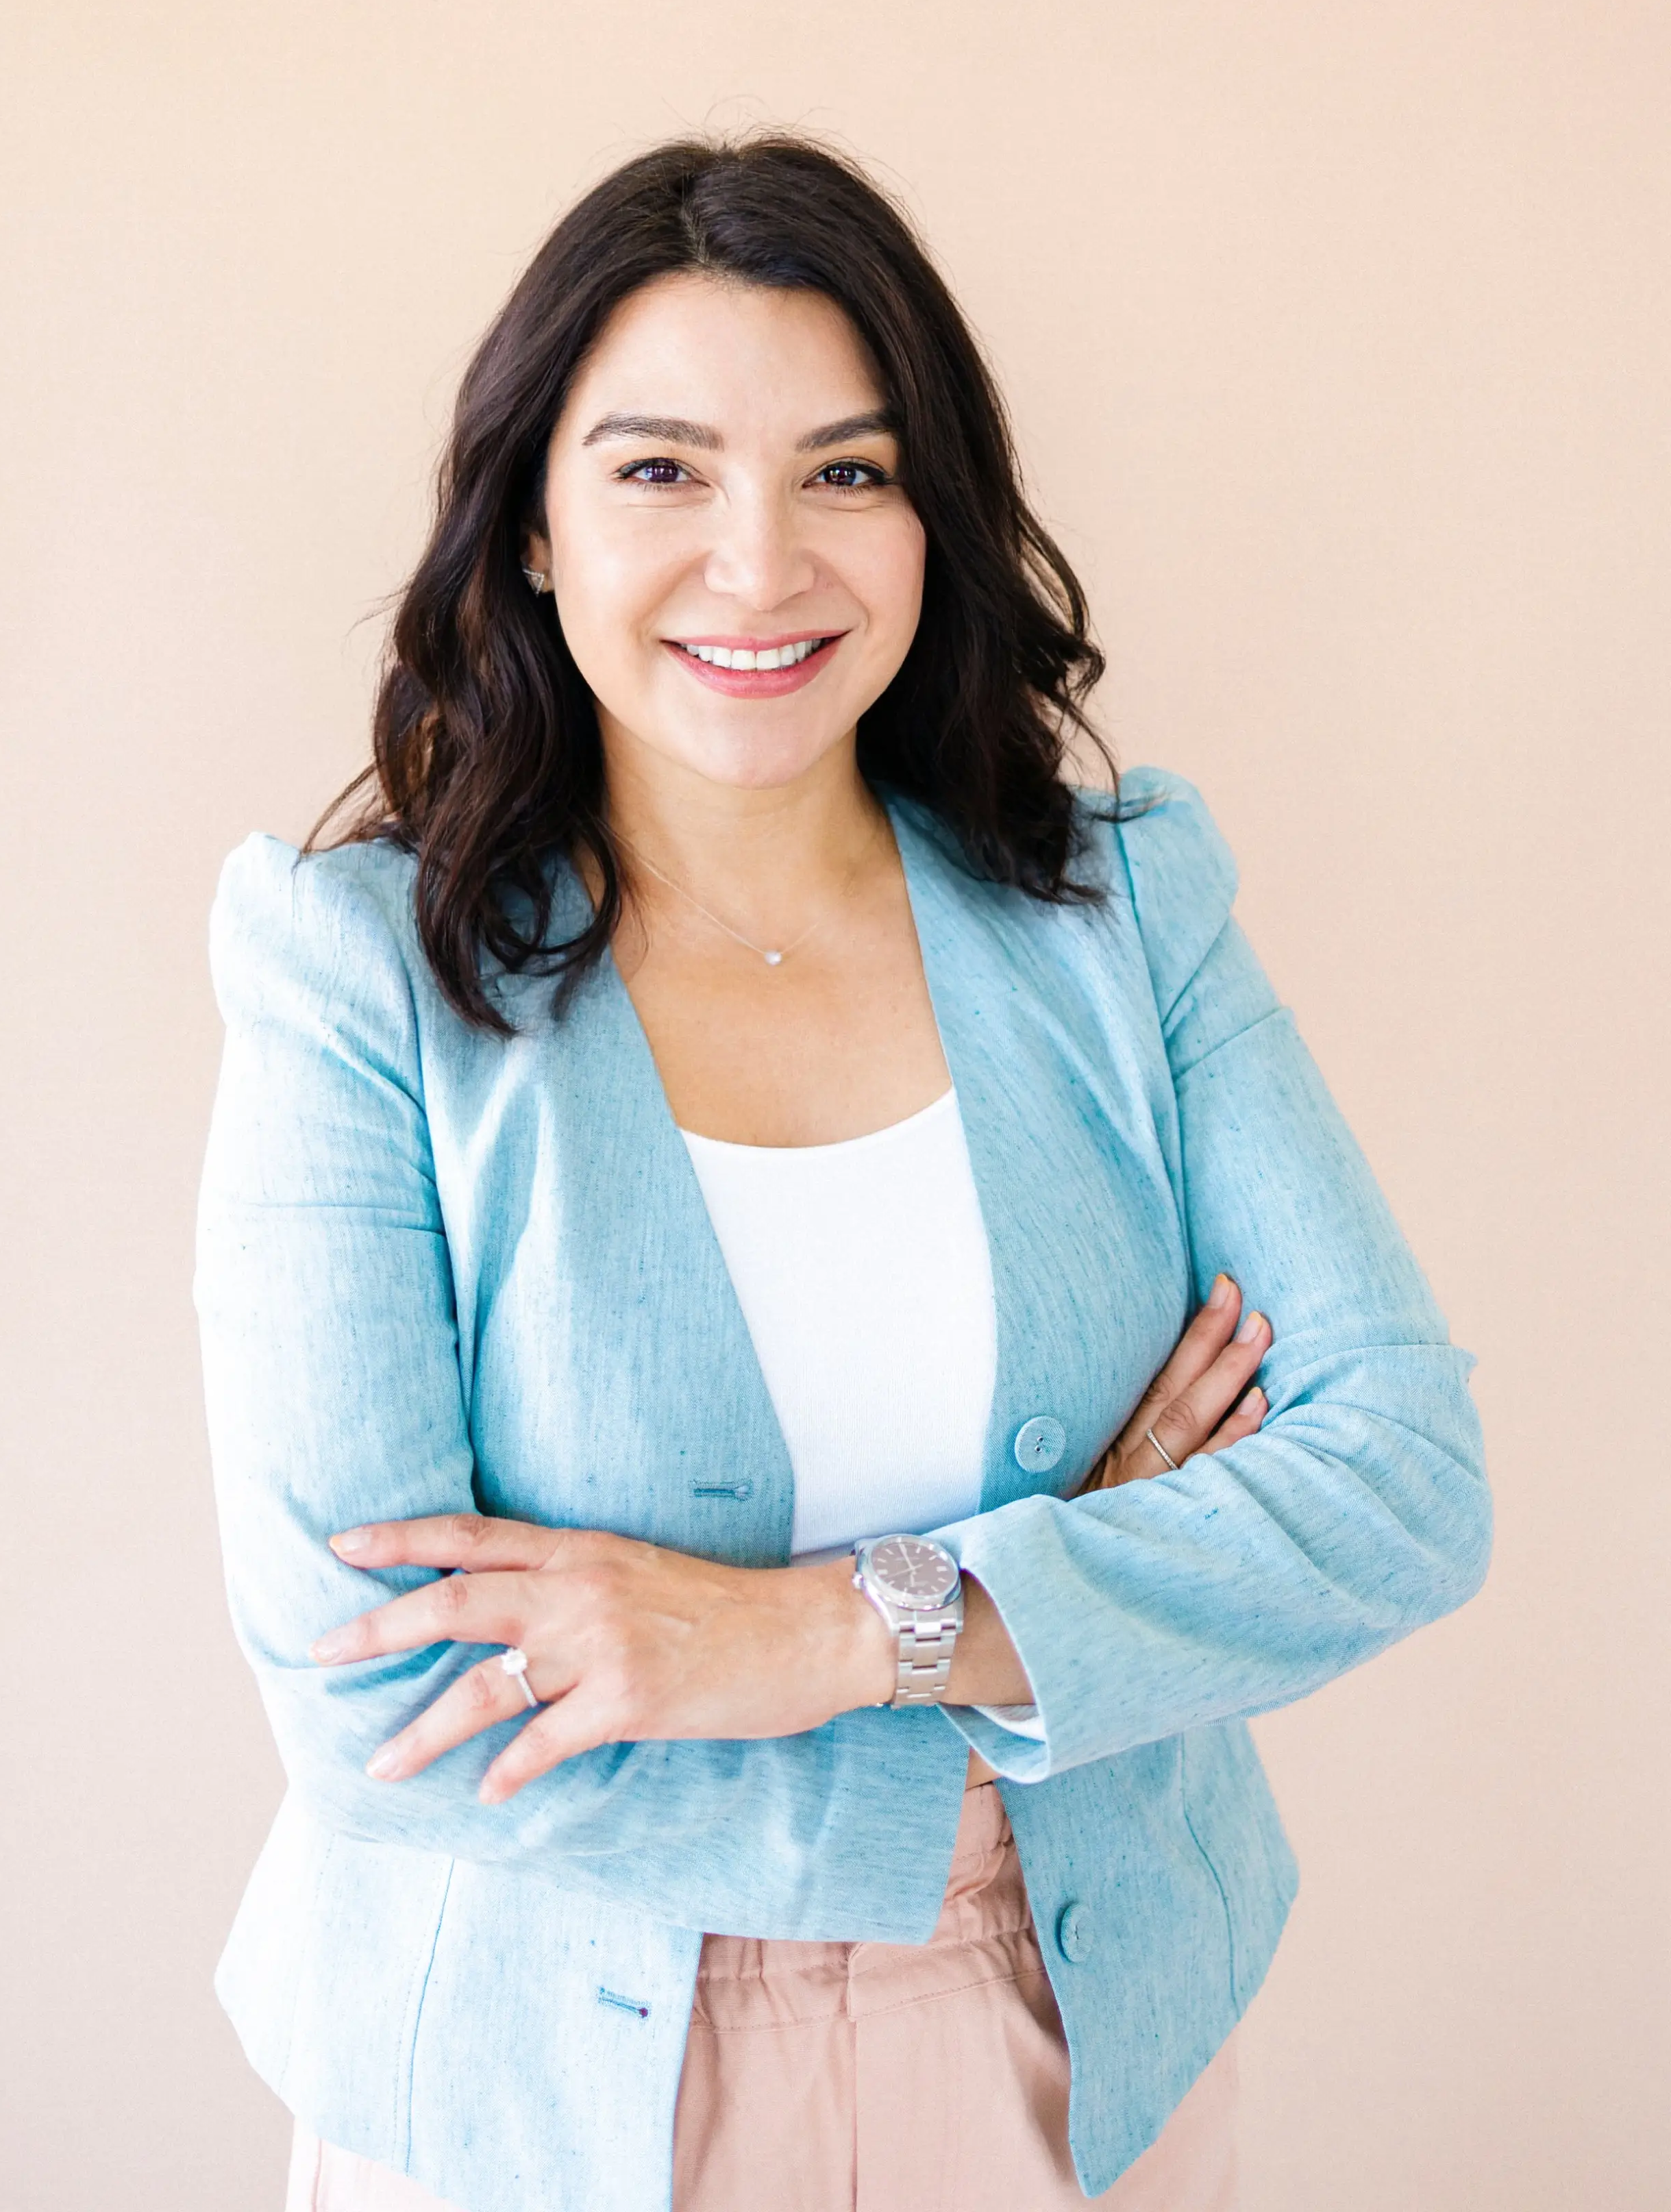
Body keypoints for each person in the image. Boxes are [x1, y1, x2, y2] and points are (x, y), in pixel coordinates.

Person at [195, 136, 1491, 2212]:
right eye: (659, 471)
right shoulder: (359, 981)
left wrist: (824, 1634)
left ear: (933, 517)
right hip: (539, 2094)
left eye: (848, 472)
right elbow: (392, 1709)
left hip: (1076, 2050)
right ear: (531, 522)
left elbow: (1408, 1479)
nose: (760, 563)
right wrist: (1074, 1590)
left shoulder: (1122, 912)